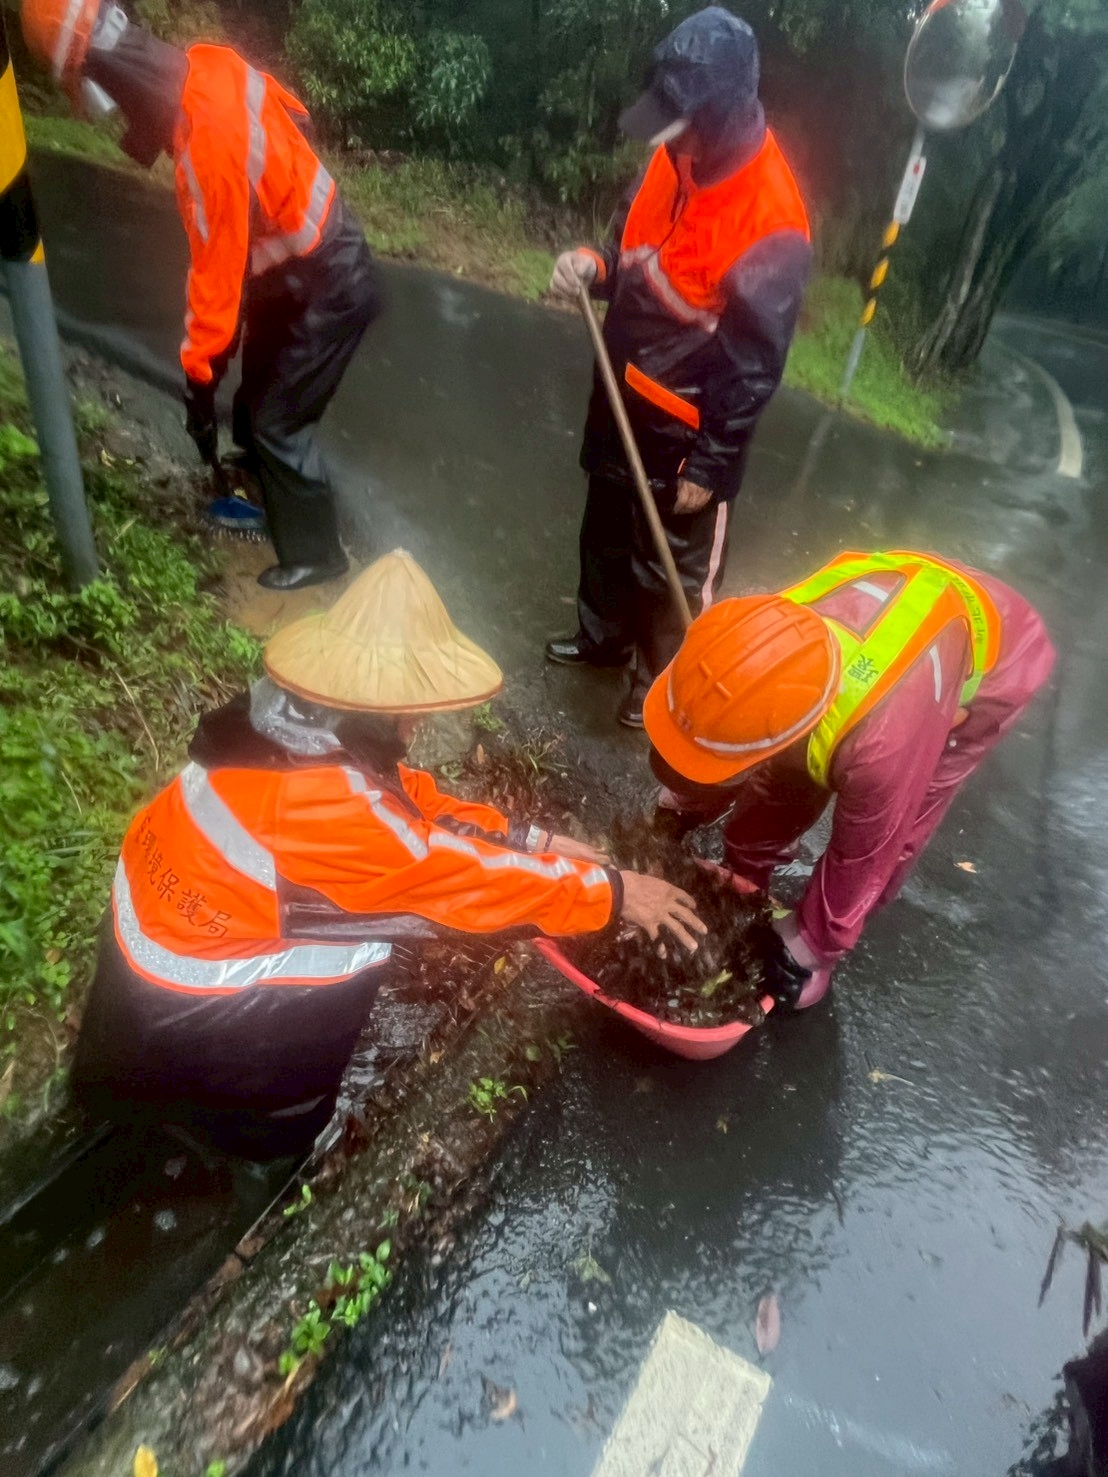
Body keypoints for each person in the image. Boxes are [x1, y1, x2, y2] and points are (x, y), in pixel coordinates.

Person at [73, 550, 704, 1157]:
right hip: (180, 999)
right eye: (409, 712)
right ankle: (275, 1132)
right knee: (360, 950)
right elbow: (445, 877)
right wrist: (614, 895)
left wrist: (525, 839)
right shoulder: (324, 807)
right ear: (372, 707)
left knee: (369, 913)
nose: (417, 726)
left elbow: (404, 804)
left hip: (155, 936)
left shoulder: (287, 721)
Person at [23, 0, 381, 591]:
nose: (122, 127)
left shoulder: (205, 146)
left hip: (333, 281)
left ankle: (319, 556)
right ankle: (262, 489)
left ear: (120, 83)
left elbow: (215, 283)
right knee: (251, 408)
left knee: (276, 423)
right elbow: (294, 114)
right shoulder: (207, 64)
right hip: (299, 269)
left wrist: (199, 381)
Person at [546, 6, 811, 728]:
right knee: (605, 526)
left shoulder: (772, 217)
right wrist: (590, 264)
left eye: (680, 120)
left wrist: (711, 463)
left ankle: (658, 687)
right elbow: (626, 248)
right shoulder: (672, 155)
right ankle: (601, 639)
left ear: (721, 117)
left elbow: (755, 364)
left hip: (687, 422)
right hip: (623, 385)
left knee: (669, 570)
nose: (667, 136)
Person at [643, 549, 1055, 1009]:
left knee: (900, 816)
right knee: (787, 777)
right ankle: (749, 875)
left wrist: (811, 946)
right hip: (892, 599)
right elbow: (716, 720)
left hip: (998, 658)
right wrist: (684, 800)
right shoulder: (745, 637)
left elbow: (866, 851)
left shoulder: (883, 748)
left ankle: (817, 945)